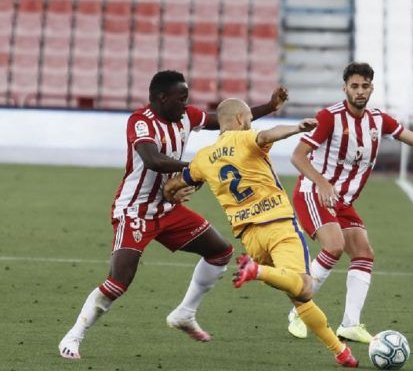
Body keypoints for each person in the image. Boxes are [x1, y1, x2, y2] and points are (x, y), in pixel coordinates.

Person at [58, 70, 288, 359]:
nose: (186, 104)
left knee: (220, 252)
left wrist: (269, 107)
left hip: (168, 209)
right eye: (181, 99)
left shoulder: (186, 117)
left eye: (187, 99)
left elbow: (228, 122)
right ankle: (73, 336)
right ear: (161, 98)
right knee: (119, 281)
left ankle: (185, 313)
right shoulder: (140, 122)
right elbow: (152, 159)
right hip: (135, 211)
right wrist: (194, 168)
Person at [286, 62, 413, 343]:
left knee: (363, 253)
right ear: (344, 88)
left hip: (343, 200)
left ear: (372, 88)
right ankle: (299, 310)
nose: (360, 91)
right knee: (334, 246)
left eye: (365, 86)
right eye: (354, 86)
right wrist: (323, 183)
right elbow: (298, 156)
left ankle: (350, 324)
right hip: (313, 191)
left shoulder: (378, 120)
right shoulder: (329, 117)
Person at [162, 98, 359, 367]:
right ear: (241, 120)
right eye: (250, 120)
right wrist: (296, 128)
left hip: (250, 238)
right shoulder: (245, 138)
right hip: (278, 226)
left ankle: (341, 353)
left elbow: (174, 185)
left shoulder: (203, 158)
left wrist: (173, 195)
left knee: (298, 296)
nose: (252, 125)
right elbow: (268, 134)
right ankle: (257, 271)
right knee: (306, 287)